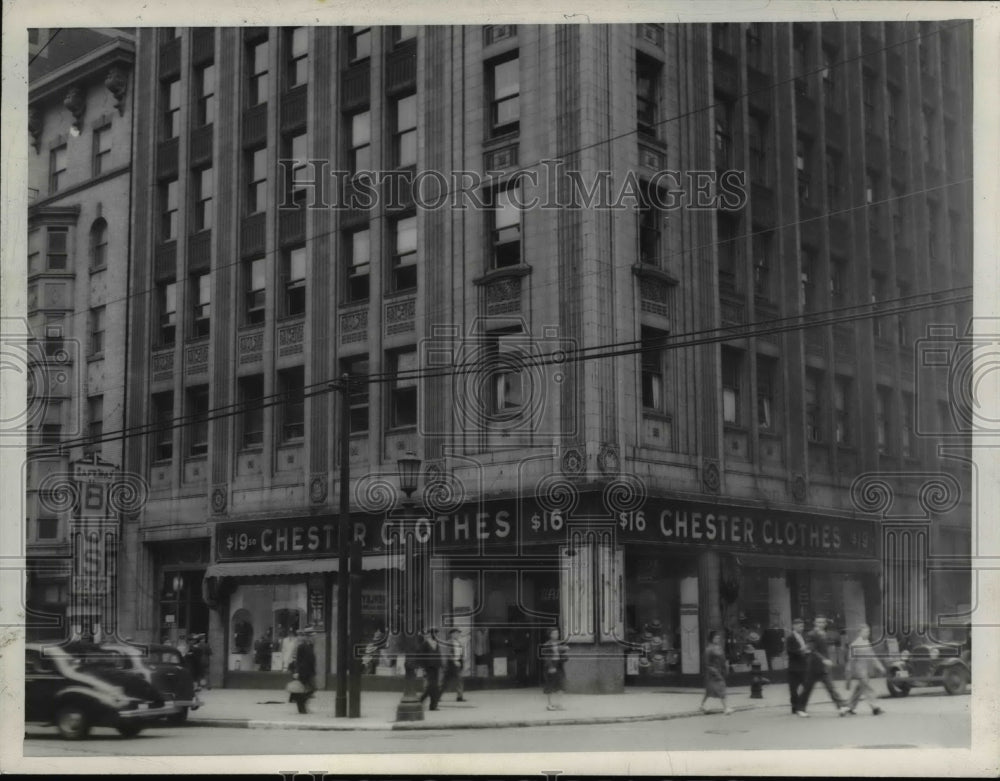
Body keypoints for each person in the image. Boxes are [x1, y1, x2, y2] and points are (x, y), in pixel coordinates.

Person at [801, 615, 850, 715]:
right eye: (818, 622)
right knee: (807, 689)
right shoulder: (811, 634)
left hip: (822, 668)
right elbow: (812, 650)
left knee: (830, 687)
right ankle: (801, 709)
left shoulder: (824, 634)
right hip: (813, 667)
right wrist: (824, 660)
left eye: (823, 622)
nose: (821, 624)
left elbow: (824, 650)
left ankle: (841, 707)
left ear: (825, 623)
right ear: (815, 623)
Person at [843, 624, 885, 716]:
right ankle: (875, 708)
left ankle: (848, 707)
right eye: (866, 631)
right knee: (868, 690)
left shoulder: (867, 643)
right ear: (859, 632)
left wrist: (880, 667)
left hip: (865, 671)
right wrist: (849, 673)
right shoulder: (854, 644)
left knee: (859, 690)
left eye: (868, 631)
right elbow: (851, 660)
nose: (868, 633)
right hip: (859, 671)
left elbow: (873, 657)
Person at [700, 630, 732, 715]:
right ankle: (726, 708)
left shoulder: (719, 648)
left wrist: (726, 667)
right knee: (721, 688)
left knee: (709, 691)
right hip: (713, 673)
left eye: (718, 638)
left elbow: (723, 659)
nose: (718, 639)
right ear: (712, 639)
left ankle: (702, 705)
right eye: (716, 638)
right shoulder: (709, 649)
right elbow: (706, 663)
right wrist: (713, 671)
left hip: (719, 671)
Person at [785, 618, 811, 717]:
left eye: (803, 626)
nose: (802, 628)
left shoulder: (803, 637)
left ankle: (800, 705)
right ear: (794, 626)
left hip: (804, 667)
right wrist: (802, 650)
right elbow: (790, 651)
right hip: (794, 667)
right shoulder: (790, 638)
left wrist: (807, 652)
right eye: (800, 626)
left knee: (807, 687)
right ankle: (795, 706)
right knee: (793, 689)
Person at [287, 629, 316, 713]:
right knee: (305, 690)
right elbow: (298, 660)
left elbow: (311, 660)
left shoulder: (309, 645)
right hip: (303, 672)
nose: (313, 638)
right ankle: (302, 708)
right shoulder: (301, 646)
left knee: (309, 689)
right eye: (312, 636)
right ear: (307, 637)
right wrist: (296, 671)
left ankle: (302, 707)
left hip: (308, 672)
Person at [540, 628, 569, 710]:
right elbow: (546, 657)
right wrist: (550, 667)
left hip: (559, 666)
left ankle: (559, 704)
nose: (556, 635)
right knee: (550, 685)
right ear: (550, 635)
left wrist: (565, 652)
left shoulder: (560, 644)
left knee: (561, 684)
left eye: (557, 633)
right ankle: (549, 704)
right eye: (554, 633)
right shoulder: (546, 645)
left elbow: (564, 654)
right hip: (551, 666)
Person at [417, 628, 442, 711]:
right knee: (432, 686)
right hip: (429, 667)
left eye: (437, 634)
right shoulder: (425, 643)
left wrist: (441, 665)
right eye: (435, 634)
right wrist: (423, 668)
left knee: (434, 687)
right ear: (431, 634)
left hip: (436, 667)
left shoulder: (436, 643)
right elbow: (421, 657)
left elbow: (439, 655)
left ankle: (433, 706)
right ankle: (421, 701)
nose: (437, 635)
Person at [440, 628, 467, 702]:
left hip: (458, 663)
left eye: (458, 633)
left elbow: (461, 652)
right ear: (452, 634)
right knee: (445, 681)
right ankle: (438, 696)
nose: (458, 635)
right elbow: (448, 653)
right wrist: (454, 661)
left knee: (459, 680)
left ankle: (459, 697)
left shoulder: (459, 642)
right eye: (456, 633)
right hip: (451, 664)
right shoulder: (449, 642)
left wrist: (463, 658)